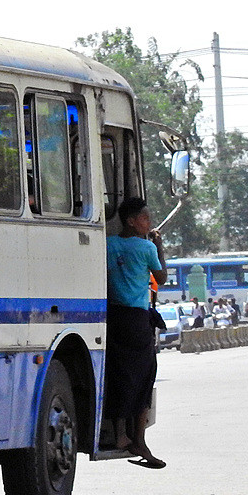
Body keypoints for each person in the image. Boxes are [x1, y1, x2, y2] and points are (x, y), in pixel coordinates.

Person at [104, 197, 167, 469]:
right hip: (138, 319)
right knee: (144, 377)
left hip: (115, 316)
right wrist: (159, 246)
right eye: (145, 218)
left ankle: (120, 435)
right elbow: (160, 278)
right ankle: (139, 439)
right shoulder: (145, 247)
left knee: (120, 375)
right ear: (131, 220)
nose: (148, 223)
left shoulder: (108, 245)